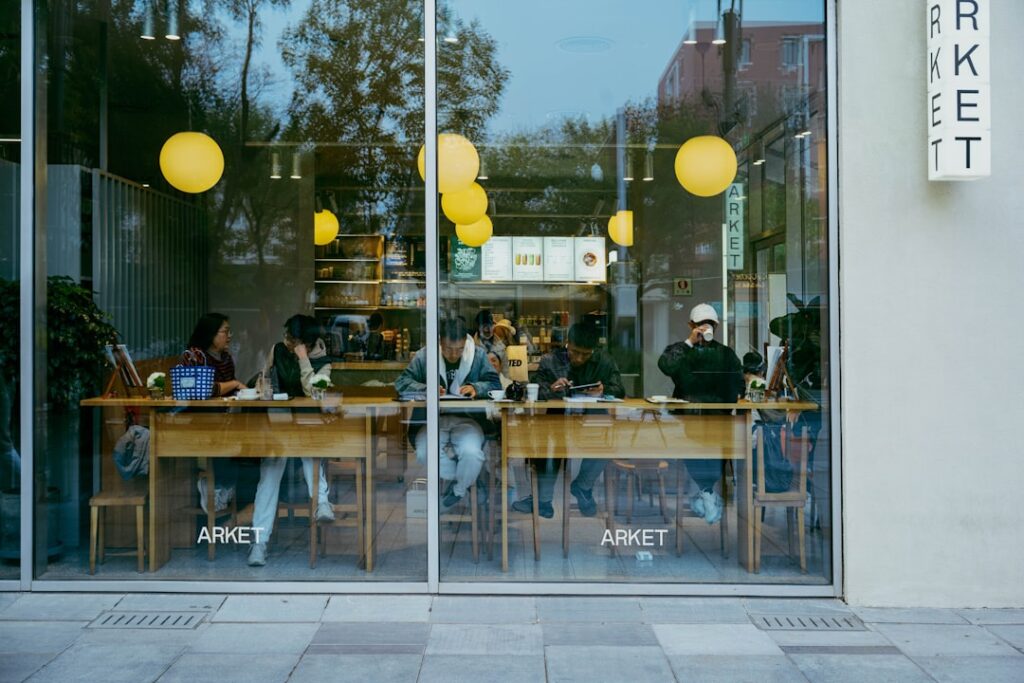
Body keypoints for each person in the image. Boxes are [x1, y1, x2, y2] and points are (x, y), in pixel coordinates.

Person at [248, 315, 337, 567]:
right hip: (279, 424)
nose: (286, 342)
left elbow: (314, 392)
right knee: (269, 474)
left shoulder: (323, 361)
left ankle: (321, 504)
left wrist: (303, 359)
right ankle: (259, 542)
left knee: (311, 457)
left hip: (310, 427)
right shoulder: (276, 350)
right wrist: (261, 386)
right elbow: (263, 378)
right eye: (286, 336)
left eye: (293, 339)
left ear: (307, 343)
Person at [511, 322, 625, 518]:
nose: (579, 358)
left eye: (585, 354)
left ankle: (583, 485)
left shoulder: (605, 361)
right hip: (558, 423)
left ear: (594, 350)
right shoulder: (550, 360)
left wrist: (604, 390)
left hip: (592, 423)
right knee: (547, 445)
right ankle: (543, 500)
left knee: (612, 443)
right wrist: (551, 388)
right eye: (574, 352)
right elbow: (533, 391)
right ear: (567, 343)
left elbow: (620, 390)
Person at [395, 318, 500, 509]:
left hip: (468, 419)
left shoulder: (477, 355)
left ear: (466, 342)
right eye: (447, 349)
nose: (453, 354)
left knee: (472, 454)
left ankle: (458, 488)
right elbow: (401, 383)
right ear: (439, 342)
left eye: (459, 349)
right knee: (424, 452)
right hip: (432, 419)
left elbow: (494, 383)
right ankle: (465, 479)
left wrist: (477, 388)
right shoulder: (425, 355)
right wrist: (426, 389)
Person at [657, 303, 744, 525]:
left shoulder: (725, 354)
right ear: (691, 325)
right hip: (689, 421)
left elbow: (738, 385)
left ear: (716, 326)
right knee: (693, 444)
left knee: (711, 446)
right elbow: (665, 365)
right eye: (700, 325)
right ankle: (707, 494)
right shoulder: (682, 350)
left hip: (717, 421)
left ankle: (705, 494)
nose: (705, 328)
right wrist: (689, 342)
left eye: (710, 325)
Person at [186, 313, 243, 515]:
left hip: (222, 419)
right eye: (225, 331)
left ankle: (223, 488)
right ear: (210, 334)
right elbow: (203, 389)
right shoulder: (194, 356)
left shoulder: (226, 358)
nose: (229, 336)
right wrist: (235, 385)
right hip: (199, 421)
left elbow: (229, 389)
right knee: (227, 439)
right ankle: (212, 486)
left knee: (243, 441)